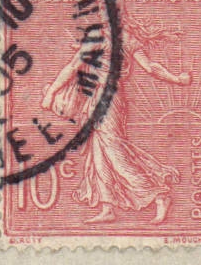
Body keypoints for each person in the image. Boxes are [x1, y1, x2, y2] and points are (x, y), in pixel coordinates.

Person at [41, 15, 192, 224]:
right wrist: (51, 93)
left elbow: (150, 67)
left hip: (111, 99)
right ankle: (107, 207)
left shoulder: (128, 40)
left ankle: (159, 195)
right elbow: (72, 67)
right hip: (92, 101)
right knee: (98, 154)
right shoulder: (93, 40)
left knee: (114, 151)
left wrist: (176, 79)